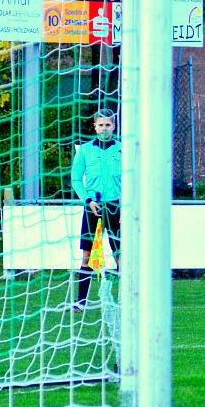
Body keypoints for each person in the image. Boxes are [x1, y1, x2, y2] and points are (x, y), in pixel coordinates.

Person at [70, 109, 121, 311]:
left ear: (114, 126)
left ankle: (128, 299)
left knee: (120, 253)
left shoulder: (123, 149)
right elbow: (75, 179)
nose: (104, 128)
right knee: (87, 254)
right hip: (92, 207)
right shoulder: (84, 150)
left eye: (108, 125)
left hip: (116, 206)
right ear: (95, 126)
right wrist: (87, 200)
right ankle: (80, 301)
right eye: (100, 125)